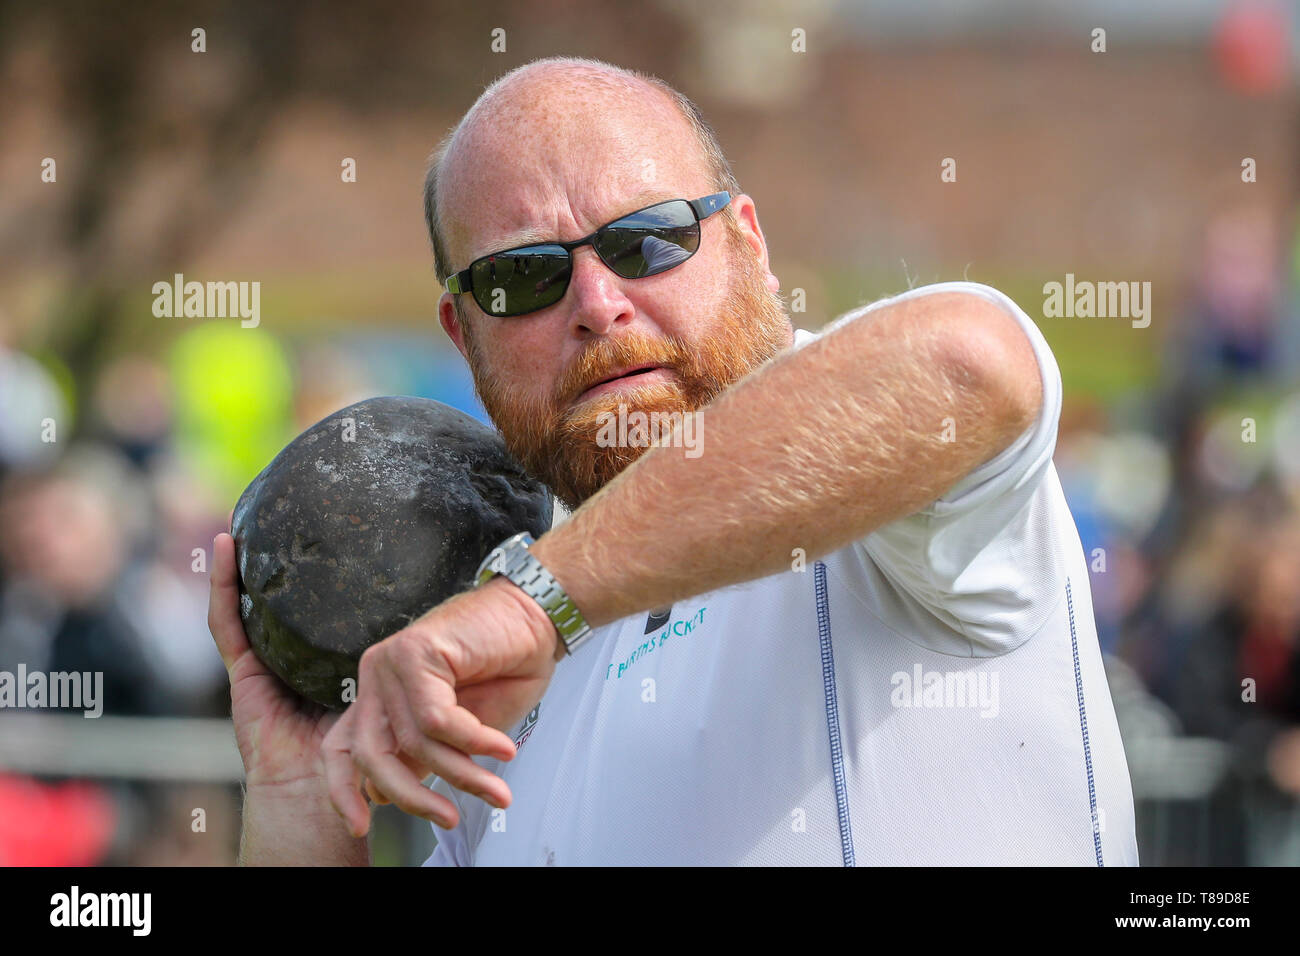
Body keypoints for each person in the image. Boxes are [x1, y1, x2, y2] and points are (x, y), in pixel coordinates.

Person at [207, 56, 1138, 866]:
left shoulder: (901, 510)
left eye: (648, 238)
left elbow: (967, 363)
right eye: (522, 276)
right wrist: (302, 805)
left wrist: (538, 602)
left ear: (748, 246)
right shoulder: (489, 670)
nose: (598, 302)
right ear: (463, 336)